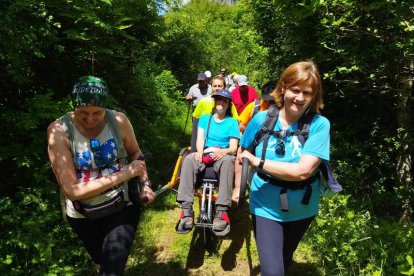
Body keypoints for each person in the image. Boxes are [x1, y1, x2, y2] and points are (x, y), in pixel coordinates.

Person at [47, 76, 155, 275]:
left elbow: (135, 154)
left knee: (112, 268)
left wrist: (145, 184)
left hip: (122, 203)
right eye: (82, 112)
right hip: (82, 213)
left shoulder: (119, 121)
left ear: (106, 107)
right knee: (101, 262)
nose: (90, 119)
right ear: (74, 106)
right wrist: (125, 173)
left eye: (97, 112)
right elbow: (72, 190)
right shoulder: (59, 131)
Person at [238, 61, 329, 275]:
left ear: (314, 95)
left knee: (284, 258)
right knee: (273, 271)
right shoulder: (261, 119)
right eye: (295, 90)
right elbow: (242, 154)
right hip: (265, 203)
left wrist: (258, 162)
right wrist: (237, 187)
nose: (299, 98)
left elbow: (303, 171)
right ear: (283, 88)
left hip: (303, 207)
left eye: (307, 92)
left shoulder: (319, 125)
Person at [176, 89, 240, 236]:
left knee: (228, 162)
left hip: (223, 154)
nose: (220, 102)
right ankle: (186, 210)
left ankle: (221, 212)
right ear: (215, 101)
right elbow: (200, 139)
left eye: (224, 100)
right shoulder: (205, 118)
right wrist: (199, 151)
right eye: (218, 99)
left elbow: (233, 147)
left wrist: (224, 151)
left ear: (228, 104)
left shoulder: (232, 122)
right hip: (205, 152)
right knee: (188, 159)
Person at [232, 80, 276, 202]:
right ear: (262, 97)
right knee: (240, 151)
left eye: (273, 101)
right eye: (267, 101)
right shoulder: (254, 106)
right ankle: (238, 187)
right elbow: (241, 125)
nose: (270, 104)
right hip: (254, 139)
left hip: (272, 141)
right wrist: (254, 129)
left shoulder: (283, 108)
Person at [190, 75, 238, 152]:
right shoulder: (203, 102)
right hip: (204, 141)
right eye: (214, 86)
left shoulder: (230, 104)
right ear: (211, 87)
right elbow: (196, 123)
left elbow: (235, 123)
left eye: (220, 86)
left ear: (224, 87)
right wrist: (194, 148)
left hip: (222, 144)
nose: (217, 88)